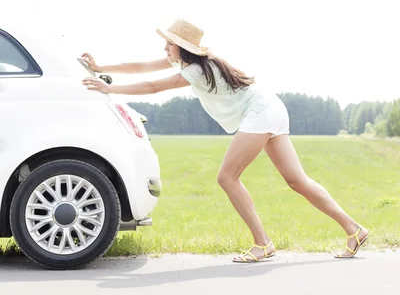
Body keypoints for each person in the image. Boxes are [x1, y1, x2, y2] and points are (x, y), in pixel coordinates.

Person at [82, 18, 368, 263]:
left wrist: (108, 86)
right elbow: (142, 68)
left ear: (182, 47)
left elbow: (154, 86)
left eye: (169, 44)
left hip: (260, 112)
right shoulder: (191, 63)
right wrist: (101, 66)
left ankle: (262, 243)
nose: (165, 49)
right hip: (269, 108)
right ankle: (354, 229)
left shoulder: (195, 69)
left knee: (227, 177)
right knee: (297, 180)